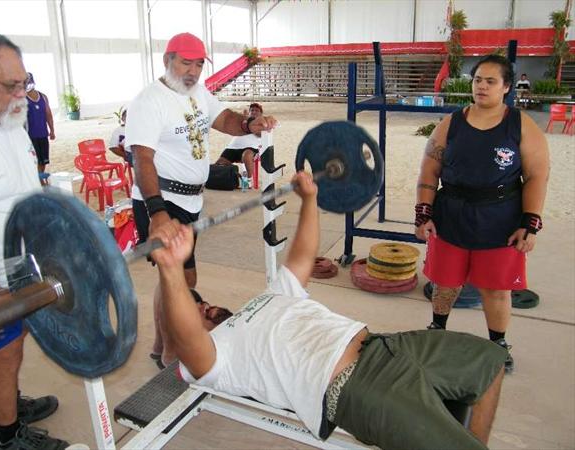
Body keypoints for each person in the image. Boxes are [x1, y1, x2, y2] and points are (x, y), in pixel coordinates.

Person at [148, 171, 507, 450]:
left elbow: (302, 257)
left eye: (203, 299)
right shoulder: (214, 359)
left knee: (489, 361)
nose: (205, 305)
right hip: (359, 387)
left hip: (387, 346)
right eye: (196, 308)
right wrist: (172, 268)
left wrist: (310, 199)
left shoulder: (265, 299)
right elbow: (187, 337)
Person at [125, 32, 277, 368]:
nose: (192, 71)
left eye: (198, 64)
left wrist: (250, 124)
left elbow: (224, 120)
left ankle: (160, 345)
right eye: (185, 63)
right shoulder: (148, 102)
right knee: (176, 279)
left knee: (182, 279)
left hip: (191, 201)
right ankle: (169, 357)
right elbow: (142, 159)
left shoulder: (197, 93)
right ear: (167, 61)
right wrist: (157, 213)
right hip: (162, 201)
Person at [414, 54, 549, 373]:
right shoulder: (452, 122)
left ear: (506, 87)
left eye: (491, 81)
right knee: (445, 283)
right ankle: (437, 331)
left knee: (496, 288)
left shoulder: (521, 125)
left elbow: (536, 175)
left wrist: (530, 223)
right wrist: (423, 212)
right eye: (477, 80)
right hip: (452, 215)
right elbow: (430, 168)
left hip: (500, 219)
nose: (482, 86)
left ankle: (497, 343)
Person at [0, 34, 69, 450]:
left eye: (24, 81)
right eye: (10, 85)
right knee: (2, 356)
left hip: (20, 265)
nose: (23, 93)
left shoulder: (12, 122)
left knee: (19, 342)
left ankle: (7, 407)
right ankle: (7, 436)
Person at [215, 102, 264, 179]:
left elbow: (259, 134)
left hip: (251, 148)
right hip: (233, 147)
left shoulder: (262, 123)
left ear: (261, 114)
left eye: (257, 110)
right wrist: (245, 120)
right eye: (252, 110)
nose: (254, 112)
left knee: (246, 155)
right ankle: (234, 176)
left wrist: (248, 122)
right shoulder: (243, 121)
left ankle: (248, 178)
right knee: (219, 164)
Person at [25, 72, 55, 184]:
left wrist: (52, 130)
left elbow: (49, 115)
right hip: (30, 135)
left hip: (43, 134)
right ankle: (40, 181)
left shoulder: (43, 97)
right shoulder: (22, 98)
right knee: (35, 160)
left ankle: (40, 177)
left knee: (44, 160)